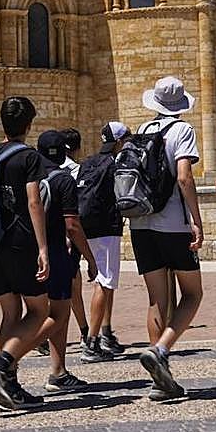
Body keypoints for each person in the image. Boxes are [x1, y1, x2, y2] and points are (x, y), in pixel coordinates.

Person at [0, 96, 52, 411]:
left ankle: (8, 387)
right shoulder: (29, 157)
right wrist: (43, 247)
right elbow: (34, 202)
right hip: (21, 241)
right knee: (38, 311)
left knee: (9, 313)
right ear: (29, 124)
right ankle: (2, 364)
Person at [131, 76, 205, 402]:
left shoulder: (142, 131)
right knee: (192, 294)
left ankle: (160, 381)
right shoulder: (182, 131)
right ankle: (160, 351)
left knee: (157, 300)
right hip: (172, 223)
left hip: (140, 224)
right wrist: (197, 221)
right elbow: (184, 177)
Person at [33, 130, 98, 392]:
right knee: (59, 314)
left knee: (37, 312)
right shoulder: (64, 180)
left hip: (30, 252)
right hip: (57, 253)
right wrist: (91, 258)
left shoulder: (29, 178)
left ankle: (58, 372)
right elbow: (72, 225)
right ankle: (7, 359)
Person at [79, 121, 131, 363]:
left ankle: (106, 333)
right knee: (104, 281)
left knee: (106, 280)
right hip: (107, 228)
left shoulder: (87, 163)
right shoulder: (116, 164)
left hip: (87, 227)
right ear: (119, 142)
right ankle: (91, 342)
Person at [59, 127, 92, 349]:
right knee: (73, 287)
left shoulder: (42, 170)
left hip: (47, 235)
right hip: (68, 234)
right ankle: (84, 331)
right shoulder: (76, 171)